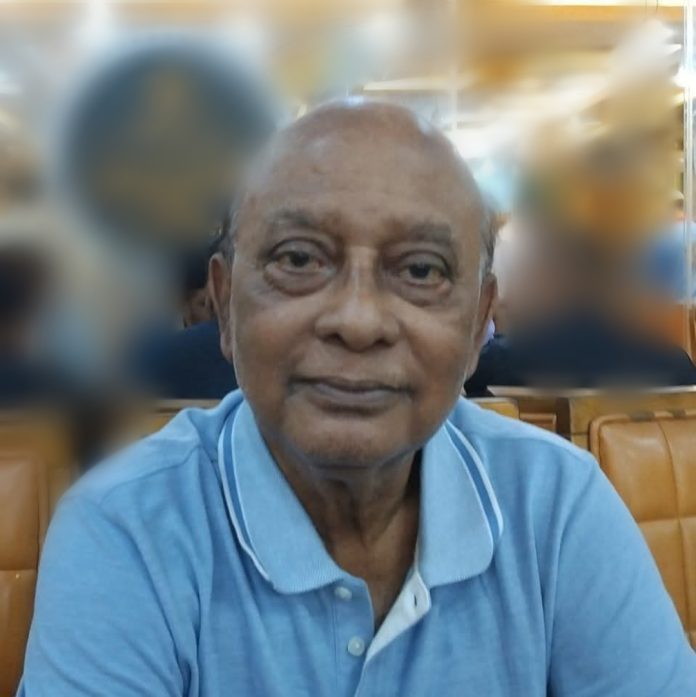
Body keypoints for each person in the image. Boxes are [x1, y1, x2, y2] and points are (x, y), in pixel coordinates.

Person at [18, 101, 696, 696]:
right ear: (223, 306)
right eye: (299, 259)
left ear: (477, 327)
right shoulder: (126, 528)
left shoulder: (556, 505)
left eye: (421, 269)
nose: (359, 320)